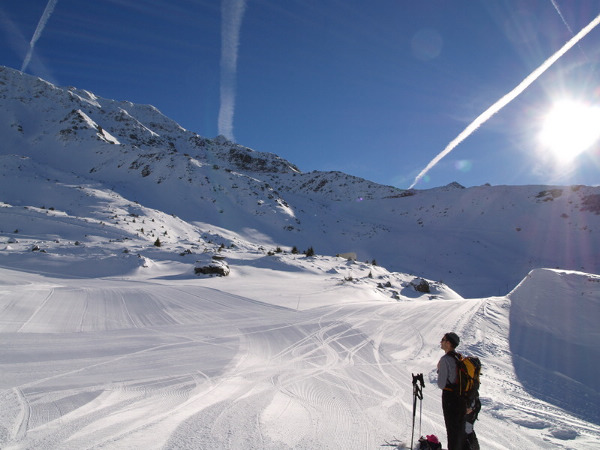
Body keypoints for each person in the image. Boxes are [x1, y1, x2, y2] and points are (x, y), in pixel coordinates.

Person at [437, 332, 467, 450]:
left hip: (450, 398)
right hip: (461, 398)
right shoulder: (459, 357)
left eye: (443, 340)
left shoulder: (445, 360)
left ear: (448, 343)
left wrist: (439, 370)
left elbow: (441, 384)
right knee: (460, 430)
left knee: (452, 431)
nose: (441, 342)